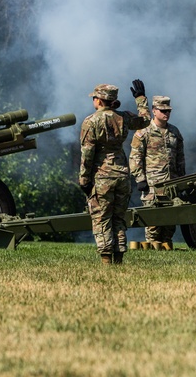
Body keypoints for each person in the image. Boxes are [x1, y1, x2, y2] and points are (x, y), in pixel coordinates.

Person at [79, 80, 151, 265]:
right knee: (118, 219)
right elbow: (145, 120)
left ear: (100, 100)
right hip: (122, 174)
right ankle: (119, 259)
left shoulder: (91, 121)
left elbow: (87, 153)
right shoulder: (124, 117)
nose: (93, 100)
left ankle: (106, 260)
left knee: (101, 219)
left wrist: (84, 180)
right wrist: (141, 99)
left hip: (101, 176)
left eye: (94, 98)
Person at [130, 95, 185, 250]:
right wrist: (140, 179)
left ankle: (166, 253)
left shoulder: (174, 132)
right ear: (154, 111)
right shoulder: (144, 132)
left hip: (171, 186)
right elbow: (135, 157)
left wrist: (181, 180)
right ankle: (154, 255)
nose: (166, 113)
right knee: (153, 224)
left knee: (169, 224)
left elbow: (180, 158)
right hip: (152, 187)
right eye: (162, 110)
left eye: (168, 111)